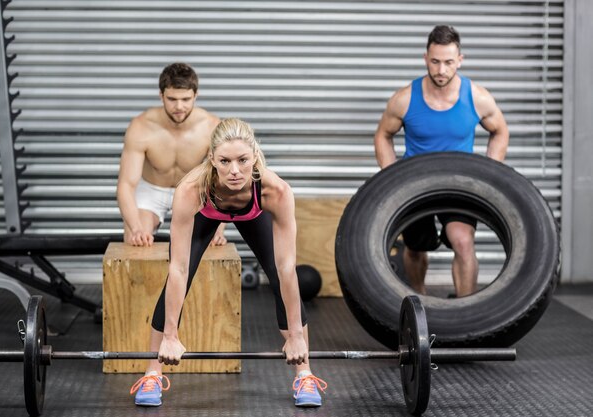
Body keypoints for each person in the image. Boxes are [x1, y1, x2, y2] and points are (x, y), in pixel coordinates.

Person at [129, 118, 327, 407]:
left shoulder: (277, 191)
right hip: (206, 212)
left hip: (253, 213)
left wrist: (296, 335)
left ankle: (304, 372)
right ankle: (153, 373)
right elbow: (178, 268)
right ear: (211, 159)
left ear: (255, 156)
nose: (234, 171)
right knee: (180, 277)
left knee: (277, 274)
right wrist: (171, 335)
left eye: (243, 160)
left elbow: (286, 269)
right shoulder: (190, 189)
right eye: (224, 161)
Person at [373, 25, 509, 297]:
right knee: (415, 247)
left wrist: (489, 171)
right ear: (426, 58)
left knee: (463, 242)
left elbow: (500, 131)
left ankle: (465, 308)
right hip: (415, 185)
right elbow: (383, 135)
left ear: (460, 59)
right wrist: (391, 177)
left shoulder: (477, 97)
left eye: (448, 62)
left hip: (459, 184)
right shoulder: (405, 99)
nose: (441, 70)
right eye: (435, 62)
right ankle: (420, 299)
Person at [117, 63, 226, 247]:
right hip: (152, 189)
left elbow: (222, 181)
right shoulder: (141, 126)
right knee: (135, 241)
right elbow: (126, 185)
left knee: (209, 245)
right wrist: (136, 228)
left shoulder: (211, 126)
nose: (179, 106)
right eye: (172, 99)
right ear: (161, 96)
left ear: (195, 95)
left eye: (185, 99)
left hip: (192, 189)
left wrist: (218, 229)